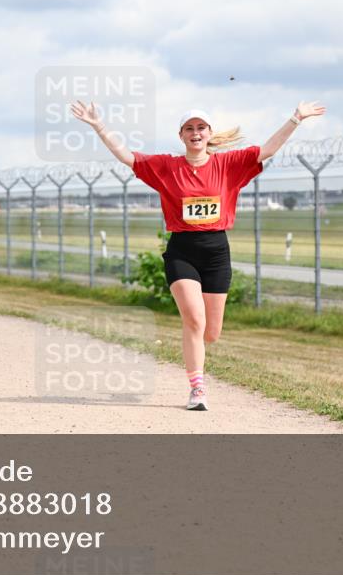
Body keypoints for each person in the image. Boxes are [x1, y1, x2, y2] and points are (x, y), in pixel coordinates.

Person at [72, 99, 326, 411]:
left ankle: (196, 352)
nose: (196, 133)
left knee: (211, 333)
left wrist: (296, 118)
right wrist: (99, 125)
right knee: (194, 319)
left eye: (201, 128)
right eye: (189, 128)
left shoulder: (228, 164)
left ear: (209, 133)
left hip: (217, 251)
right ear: (181, 135)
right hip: (182, 250)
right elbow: (126, 156)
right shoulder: (166, 167)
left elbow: (268, 150)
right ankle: (197, 389)